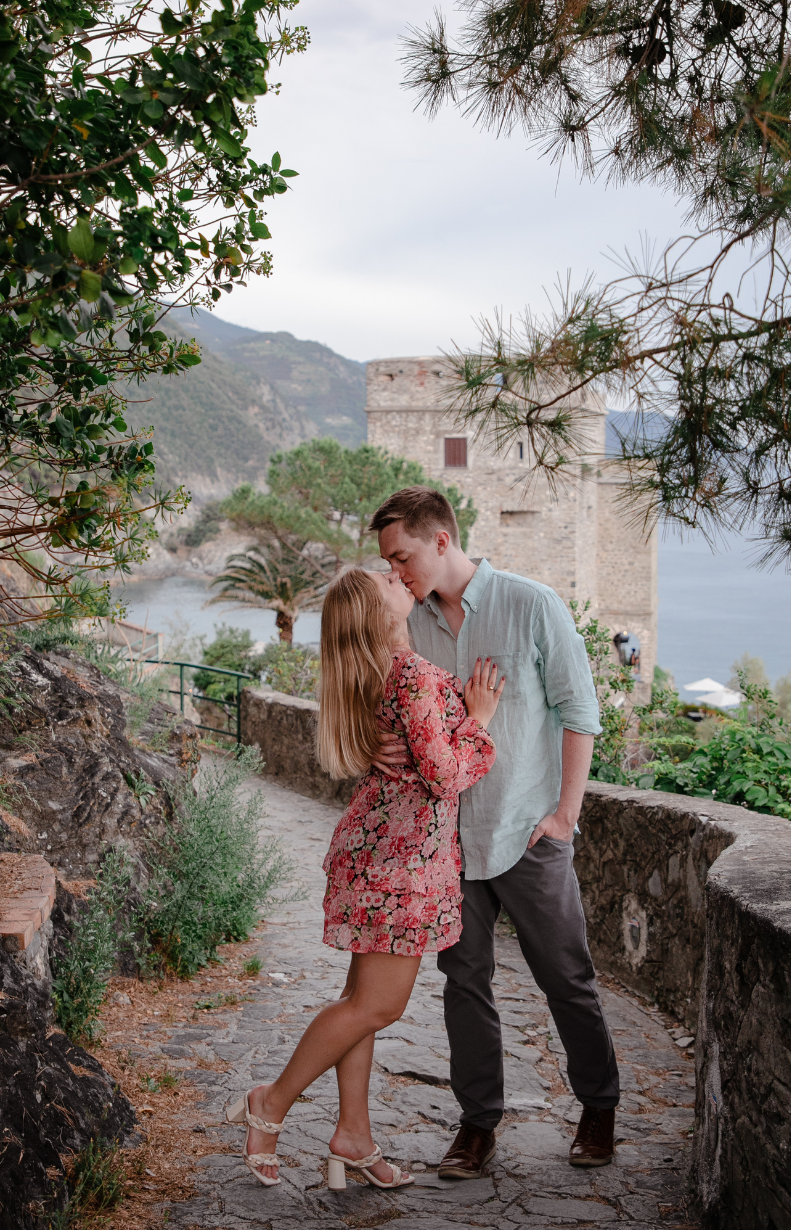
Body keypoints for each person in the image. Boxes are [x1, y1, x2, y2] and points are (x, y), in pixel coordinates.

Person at [224, 565, 504, 1189]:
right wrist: (480, 719)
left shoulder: (377, 676)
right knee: (378, 1006)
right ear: (379, 616)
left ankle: (353, 1136)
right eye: (384, 581)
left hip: (375, 855)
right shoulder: (411, 675)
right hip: (398, 868)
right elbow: (445, 776)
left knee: (360, 1006)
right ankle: (268, 1103)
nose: (396, 577)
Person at [369, 486, 620, 1176]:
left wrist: (564, 814)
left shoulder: (530, 603)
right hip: (446, 840)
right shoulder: (405, 623)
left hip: (527, 830)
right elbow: (389, 712)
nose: (395, 573)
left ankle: (598, 1109)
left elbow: (579, 711)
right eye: (387, 563)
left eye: (402, 556)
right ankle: (476, 1125)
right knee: (463, 983)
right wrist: (374, 742)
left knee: (566, 978)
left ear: (442, 539)